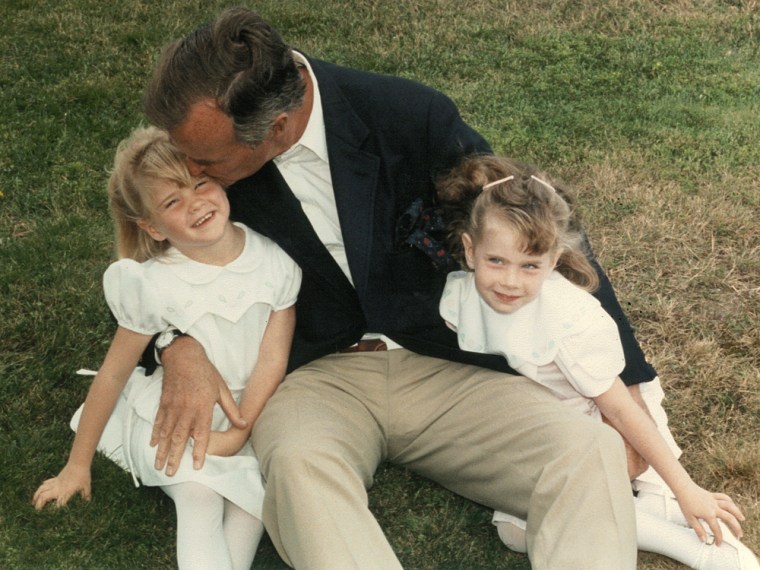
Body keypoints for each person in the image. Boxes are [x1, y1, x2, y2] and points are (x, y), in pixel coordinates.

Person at [140, 7, 661, 568]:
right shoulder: (206, 152)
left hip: (443, 363)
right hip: (314, 377)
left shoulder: (409, 115)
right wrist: (177, 344)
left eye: (207, 161)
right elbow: (145, 268)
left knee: (587, 453)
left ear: (278, 127)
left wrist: (626, 390)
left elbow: (537, 230)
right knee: (300, 472)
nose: (192, 169)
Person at [437, 155, 760, 570]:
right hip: (537, 424)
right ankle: (643, 512)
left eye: (530, 265)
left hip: (596, 423)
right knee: (517, 534)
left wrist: (686, 488)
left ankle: (687, 542)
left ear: (553, 261)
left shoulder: (569, 321)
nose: (510, 281)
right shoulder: (459, 297)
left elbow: (621, 409)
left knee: (556, 510)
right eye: (496, 261)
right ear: (469, 250)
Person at [32, 126, 301, 570]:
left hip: (251, 410)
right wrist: (76, 466)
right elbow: (114, 373)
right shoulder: (153, 284)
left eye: (200, 184)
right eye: (172, 201)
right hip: (177, 418)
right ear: (152, 227)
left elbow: (273, 359)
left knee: (253, 507)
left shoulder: (275, 261)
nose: (195, 203)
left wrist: (239, 431)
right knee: (199, 495)